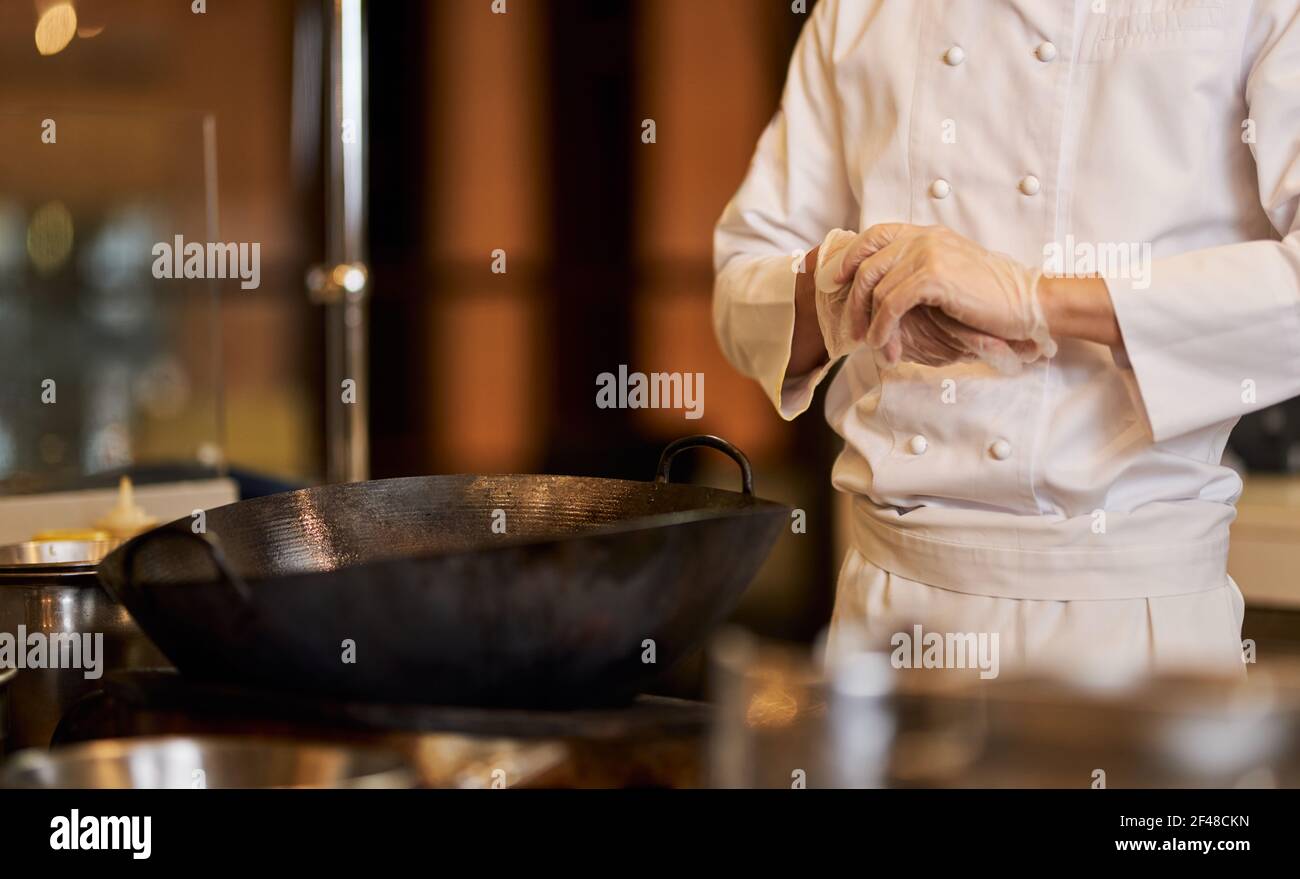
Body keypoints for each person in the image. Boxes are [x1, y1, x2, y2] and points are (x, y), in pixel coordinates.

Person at [714, 0, 1300, 679]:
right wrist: (844, 289)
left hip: (1132, 630)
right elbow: (740, 288)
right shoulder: (858, 12)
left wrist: (1034, 300)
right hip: (890, 614)